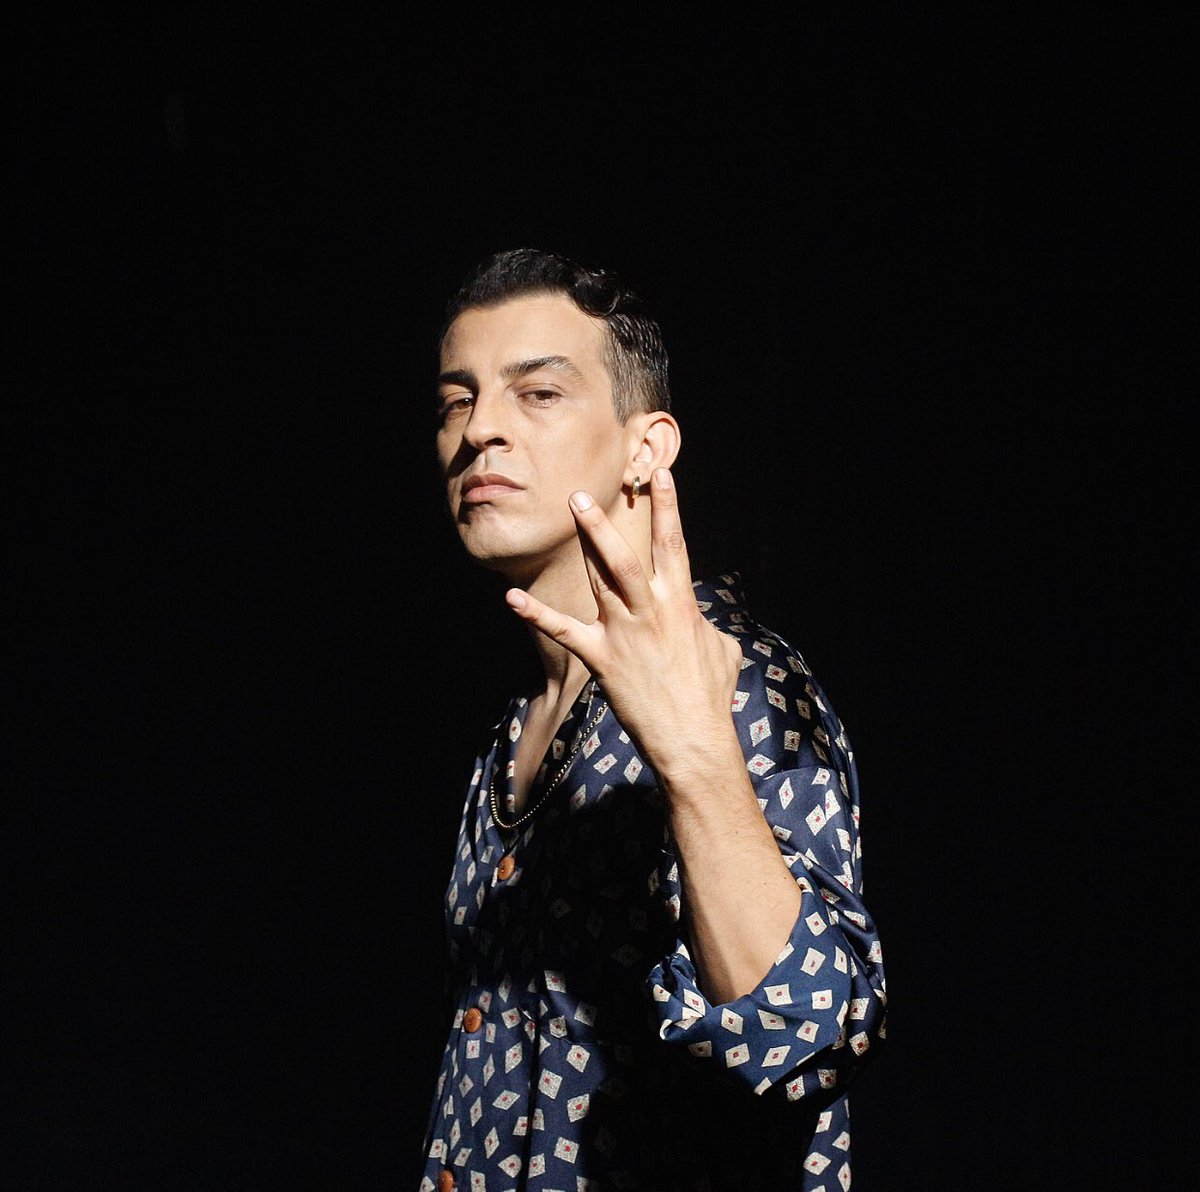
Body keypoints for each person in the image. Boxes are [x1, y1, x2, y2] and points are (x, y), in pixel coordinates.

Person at [418, 248, 887, 1191]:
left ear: (647, 447)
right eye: (456, 401)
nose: (481, 430)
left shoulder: (737, 678)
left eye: (537, 393)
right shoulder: (514, 727)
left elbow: (811, 1030)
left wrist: (696, 755)